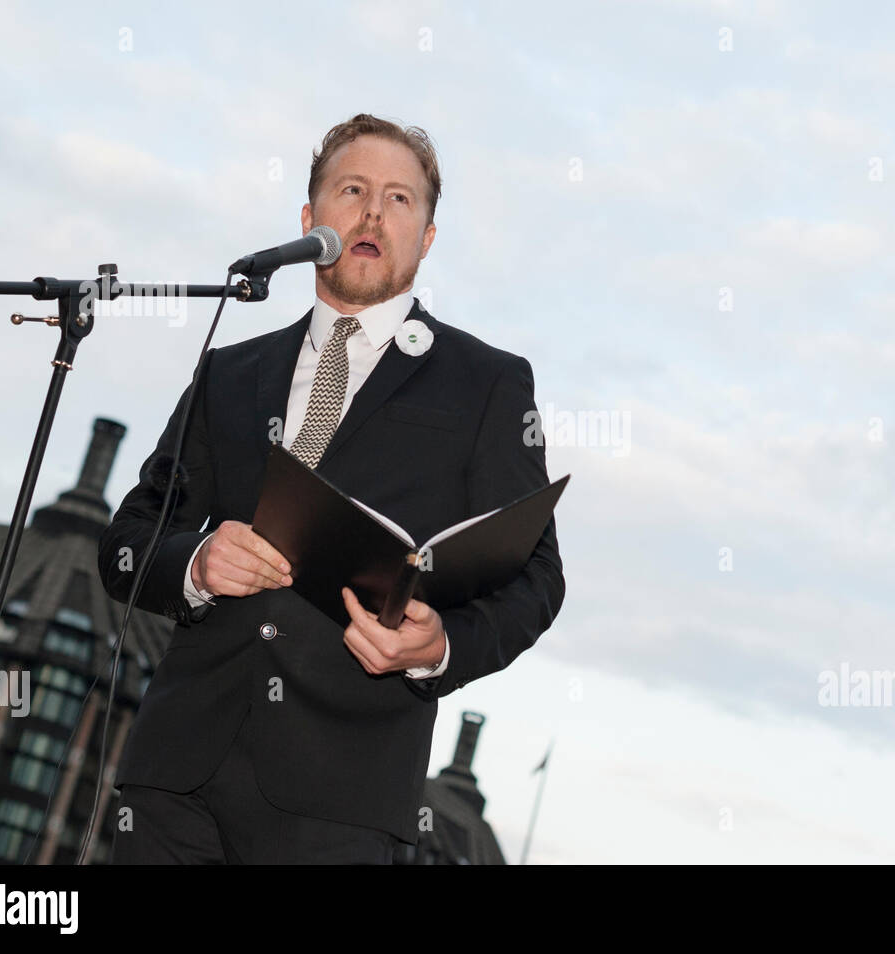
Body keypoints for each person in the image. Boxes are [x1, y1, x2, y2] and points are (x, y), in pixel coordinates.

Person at [98, 113, 565, 864]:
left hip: (343, 800)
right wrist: (194, 563)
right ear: (311, 219)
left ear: (428, 237)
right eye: (353, 190)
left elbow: (538, 580)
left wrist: (441, 645)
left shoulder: (488, 384)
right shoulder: (230, 372)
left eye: (400, 199)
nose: (374, 212)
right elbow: (127, 540)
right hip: (174, 780)